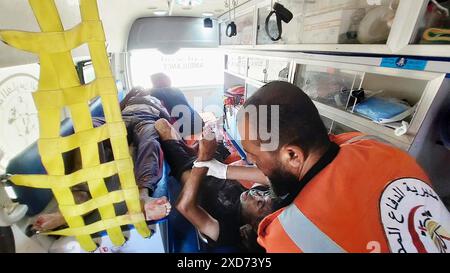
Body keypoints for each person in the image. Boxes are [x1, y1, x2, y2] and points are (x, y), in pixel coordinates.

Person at [203, 81, 450, 253]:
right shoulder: (368, 145)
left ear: (292, 155)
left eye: (254, 155)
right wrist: (224, 170)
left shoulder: (287, 234)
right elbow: (282, 173)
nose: (251, 161)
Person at [31, 88, 172, 232]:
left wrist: (159, 110)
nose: (147, 91)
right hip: (121, 120)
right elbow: (114, 110)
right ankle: (80, 195)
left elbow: (166, 122)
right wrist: (131, 95)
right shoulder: (132, 97)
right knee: (88, 126)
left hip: (146, 120)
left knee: (150, 141)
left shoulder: (159, 103)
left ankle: (142, 195)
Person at [154, 118, 277, 252]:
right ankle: (193, 147)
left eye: (259, 204)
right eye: (264, 193)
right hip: (211, 165)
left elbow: (185, 207)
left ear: (253, 224)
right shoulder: (258, 199)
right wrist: (221, 168)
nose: (256, 194)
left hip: (191, 171)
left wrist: (203, 160)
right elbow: (270, 177)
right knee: (212, 130)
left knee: (162, 124)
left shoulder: (229, 231)